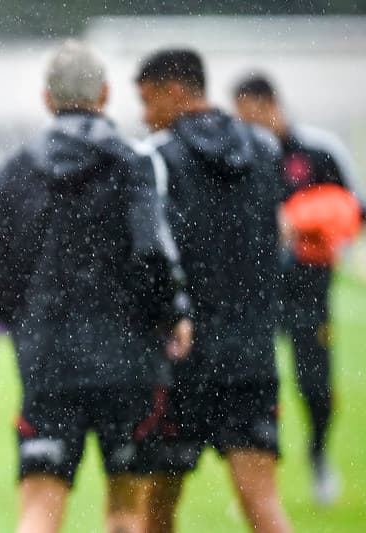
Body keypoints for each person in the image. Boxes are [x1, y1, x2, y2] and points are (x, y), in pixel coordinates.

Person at [0, 39, 191, 533]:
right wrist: (172, 313)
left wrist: (19, 320)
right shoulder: (134, 163)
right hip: (129, 360)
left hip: (47, 360)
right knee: (125, 514)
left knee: (39, 510)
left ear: (47, 98)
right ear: (106, 93)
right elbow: (153, 252)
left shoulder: (13, 169)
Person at [136, 49, 292, 532]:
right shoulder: (265, 150)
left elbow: (153, 257)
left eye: (148, 101)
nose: (144, 115)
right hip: (251, 354)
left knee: (156, 511)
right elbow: (278, 241)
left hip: (183, 359)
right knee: (263, 506)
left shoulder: (157, 157)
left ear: (174, 91)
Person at [234, 73, 365, 505]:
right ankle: (253, 485)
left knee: (315, 385)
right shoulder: (241, 155)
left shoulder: (319, 150)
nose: (245, 122)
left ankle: (318, 457)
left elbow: (354, 209)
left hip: (309, 290)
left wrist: (303, 219)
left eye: (250, 113)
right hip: (256, 293)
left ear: (270, 104)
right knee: (251, 387)